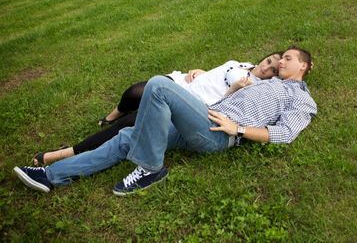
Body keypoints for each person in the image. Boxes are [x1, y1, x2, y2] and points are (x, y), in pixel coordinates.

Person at [14, 46, 316, 196]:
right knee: (126, 137)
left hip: (220, 134)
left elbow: (285, 132)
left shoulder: (300, 97)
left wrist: (238, 129)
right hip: (201, 118)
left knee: (158, 85)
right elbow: (230, 81)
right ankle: (51, 175)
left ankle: (150, 168)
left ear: (304, 66)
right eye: (279, 58)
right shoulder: (260, 80)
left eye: (287, 59)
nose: (279, 63)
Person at [32, 52, 283, 166]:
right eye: (268, 60)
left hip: (191, 102)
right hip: (187, 83)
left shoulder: (255, 86)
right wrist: (201, 71)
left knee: (131, 122)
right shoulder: (244, 64)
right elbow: (221, 74)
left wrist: (236, 88)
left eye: (273, 69)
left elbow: (225, 103)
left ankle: (67, 153)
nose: (266, 67)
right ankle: (109, 118)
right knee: (134, 92)